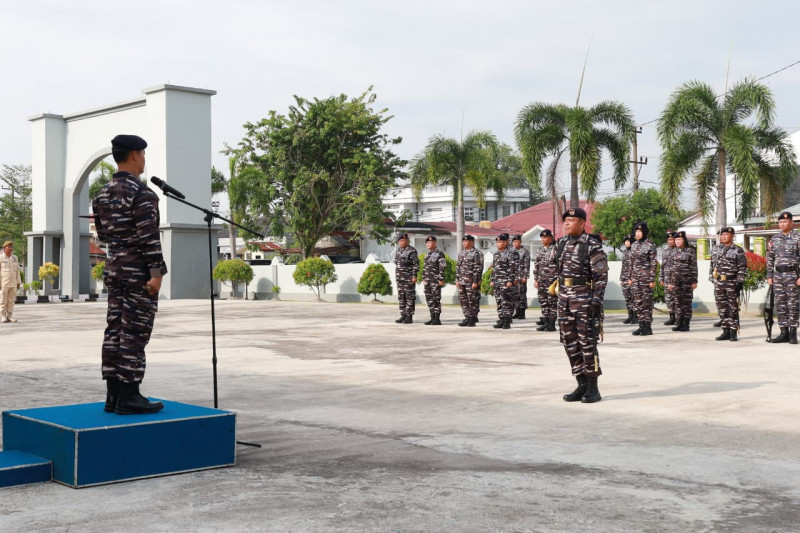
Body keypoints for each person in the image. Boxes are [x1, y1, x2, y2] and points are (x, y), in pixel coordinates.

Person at [91, 134, 166, 415]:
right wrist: (157, 273)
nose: (144, 159)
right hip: (138, 275)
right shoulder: (142, 194)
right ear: (135, 154)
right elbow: (150, 238)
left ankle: (113, 395)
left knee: (114, 330)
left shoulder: (101, 195)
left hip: (114, 270)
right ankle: (130, 395)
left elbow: (103, 235)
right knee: (134, 332)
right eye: (143, 154)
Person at [556, 208, 608, 404]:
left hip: (584, 301)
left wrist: (596, 301)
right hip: (564, 301)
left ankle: (593, 388)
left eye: (571, 220)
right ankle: (581, 384)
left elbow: (601, 276)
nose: (567, 223)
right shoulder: (561, 243)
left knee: (587, 343)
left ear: (582, 223)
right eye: (565, 220)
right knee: (570, 343)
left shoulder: (591, 245)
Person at [766, 211, 800, 344]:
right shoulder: (774, 239)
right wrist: (769, 275)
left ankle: (793, 333)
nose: (782, 224)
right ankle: (783, 332)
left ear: (791, 223)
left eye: (785, 222)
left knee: (793, 304)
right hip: (778, 276)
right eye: (780, 222)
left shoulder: (797, 237)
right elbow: (770, 258)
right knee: (780, 304)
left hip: (793, 275)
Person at [711, 227, 747, 341]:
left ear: (732, 236)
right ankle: (725, 331)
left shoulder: (738, 250)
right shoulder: (716, 249)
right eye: (722, 235)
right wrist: (712, 279)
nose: (723, 237)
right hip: (719, 283)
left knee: (733, 308)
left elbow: (742, 267)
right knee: (722, 308)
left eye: (726, 234)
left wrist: (740, 281)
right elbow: (712, 265)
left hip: (732, 282)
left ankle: (733, 332)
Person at [628, 221, 657, 336]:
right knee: (638, 303)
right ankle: (641, 326)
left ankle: (647, 327)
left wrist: (652, 279)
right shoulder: (634, 245)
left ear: (644, 232)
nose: (638, 234)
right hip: (635, 279)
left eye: (640, 231)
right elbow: (631, 263)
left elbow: (653, 263)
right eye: (636, 231)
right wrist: (629, 277)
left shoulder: (650, 245)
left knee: (646, 303)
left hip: (646, 279)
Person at [668, 231, 697, 332]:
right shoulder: (673, 252)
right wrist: (670, 282)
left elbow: (694, 267)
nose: (677, 241)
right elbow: (670, 268)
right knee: (678, 303)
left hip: (687, 281)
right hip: (675, 282)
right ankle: (679, 323)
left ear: (684, 240)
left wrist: (694, 281)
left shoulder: (690, 251)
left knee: (686, 303)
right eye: (676, 239)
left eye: (679, 239)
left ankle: (686, 324)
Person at [491, 233, 517, 329]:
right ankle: (501, 319)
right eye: (497, 242)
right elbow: (494, 268)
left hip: (506, 282)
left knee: (506, 302)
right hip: (497, 282)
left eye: (500, 242)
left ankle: (507, 321)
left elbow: (513, 268)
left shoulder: (511, 253)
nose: (498, 244)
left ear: (505, 243)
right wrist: (492, 280)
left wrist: (510, 280)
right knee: (499, 301)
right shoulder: (496, 254)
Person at [533, 229, 558, 332]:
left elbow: (560, 265)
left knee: (552, 302)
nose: (543, 239)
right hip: (541, 281)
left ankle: (551, 324)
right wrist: (536, 279)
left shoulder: (555, 250)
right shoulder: (539, 250)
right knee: (543, 302)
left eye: (546, 237)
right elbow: (536, 266)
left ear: (551, 238)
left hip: (552, 281)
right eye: (542, 238)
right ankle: (546, 322)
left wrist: (558, 281)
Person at [456, 235, 483, 327]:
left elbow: (478, 268)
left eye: (466, 241)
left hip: (471, 281)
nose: (464, 243)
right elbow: (458, 267)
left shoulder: (476, 253)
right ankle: (466, 317)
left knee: (472, 300)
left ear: (471, 242)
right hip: (462, 281)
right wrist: (457, 279)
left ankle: (472, 318)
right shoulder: (461, 253)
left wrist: (476, 281)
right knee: (463, 300)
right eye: (463, 241)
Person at [394, 233, 418, 324]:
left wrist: (414, 275)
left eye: (403, 241)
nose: (401, 243)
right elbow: (397, 263)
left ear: (407, 241)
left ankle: (409, 316)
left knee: (409, 297)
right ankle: (403, 315)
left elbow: (415, 264)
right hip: (400, 278)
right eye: (399, 241)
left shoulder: (412, 250)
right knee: (401, 297)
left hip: (408, 278)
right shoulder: (398, 250)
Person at [422, 235, 446, 326]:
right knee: (429, 299)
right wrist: (423, 277)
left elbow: (442, 266)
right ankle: (432, 317)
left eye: (430, 242)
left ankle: (437, 319)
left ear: (435, 243)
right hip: (427, 281)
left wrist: (441, 278)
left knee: (436, 299)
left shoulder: (439, 253)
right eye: (427, 243)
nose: (428, 244)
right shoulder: (427, 254)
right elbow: (425, 267)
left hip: (435, 281)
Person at [0, 241, 22, 323]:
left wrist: (18, 282)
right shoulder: (1, 258)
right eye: (9, 247)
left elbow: (17, 271)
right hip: (4, 282)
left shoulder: (15, 258)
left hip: (13, 282)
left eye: (11, 247)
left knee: (11, 300)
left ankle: (10, 316)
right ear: (4, 248)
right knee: (3, 300)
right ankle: (3, 316)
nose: (11, 248)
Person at [511, 235, 531, 320]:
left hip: (521, 276)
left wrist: (525, 276)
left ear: (520, 242)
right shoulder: (511, 251)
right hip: (513, 277)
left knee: (522, 294)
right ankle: (517, 311)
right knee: (515, 294)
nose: (515, 243)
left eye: (517, 241)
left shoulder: (525, 252)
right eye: (514, 242)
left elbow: (527, 265)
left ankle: (522, 312)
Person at [660, 232, 678, 326]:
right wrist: (661, 278)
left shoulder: (679, 250)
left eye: (671, 239)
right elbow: (662, 266)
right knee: (668, 298)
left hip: (677, 279)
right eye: (668, 240)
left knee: (677, 298)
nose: (670, 241)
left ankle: (679, 318)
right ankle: (672, 317)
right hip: (667, 279)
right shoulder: (665, 251)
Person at [620, 235, 637, 325]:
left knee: (634, 297)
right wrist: (621, 278)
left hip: (633, 278)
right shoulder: (624, 252)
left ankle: (636, 316)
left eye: (628, 241)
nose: (626, 243)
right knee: (627, 297)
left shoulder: (635, 252)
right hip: (625, 278)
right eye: (625, 241)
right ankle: (630, 315)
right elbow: (623, 266)